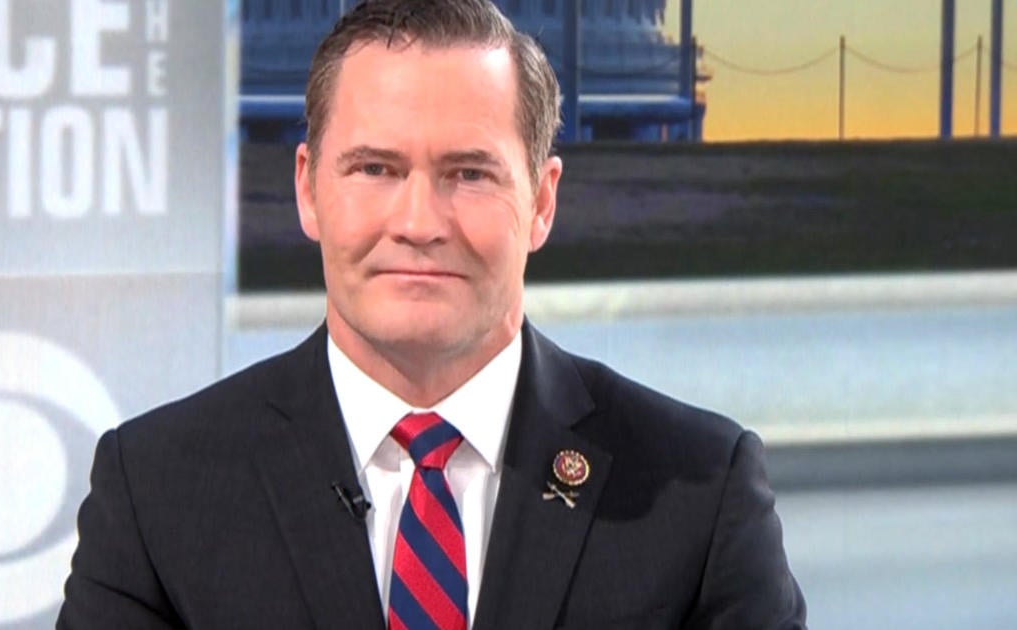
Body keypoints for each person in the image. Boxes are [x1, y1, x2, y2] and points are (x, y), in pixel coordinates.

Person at [57, 1, 806, 628]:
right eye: (375, 168)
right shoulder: (157, 492)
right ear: (308, 189)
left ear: (542, 201)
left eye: (469, 174)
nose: (419, 222)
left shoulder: (699, 490)